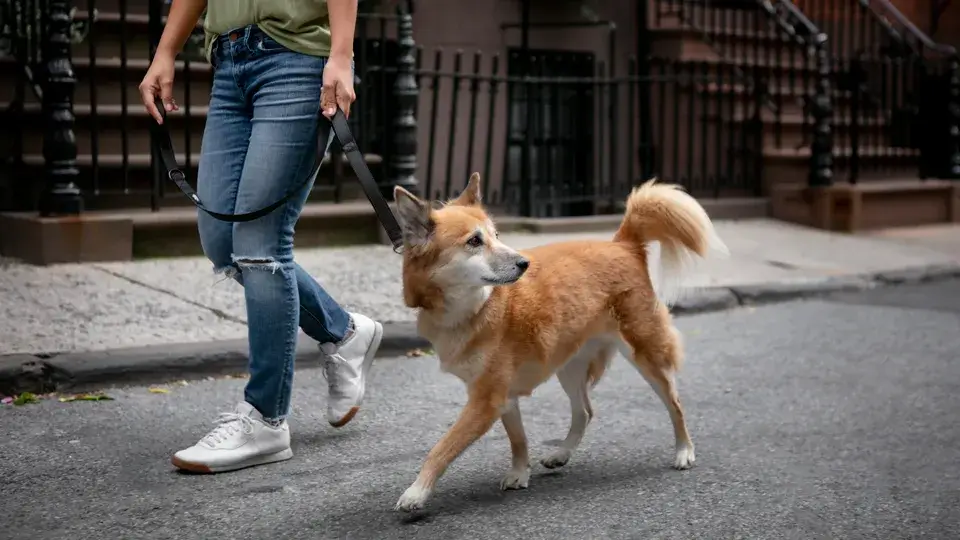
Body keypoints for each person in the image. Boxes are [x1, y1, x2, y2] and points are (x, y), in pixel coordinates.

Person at [138, 0, 382, 474]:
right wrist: (166, 51)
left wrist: (341, 53)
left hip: (297, 56)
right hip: (230, 62)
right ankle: (343, 331)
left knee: (261, 242)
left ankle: (266, 419)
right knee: (221, 240)